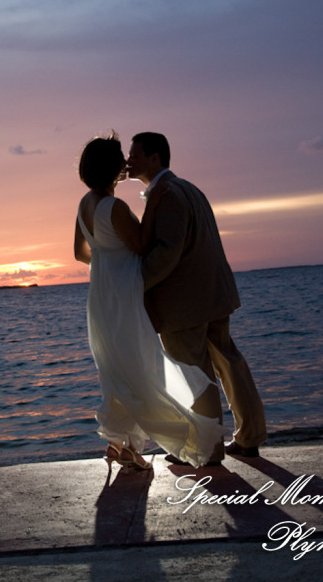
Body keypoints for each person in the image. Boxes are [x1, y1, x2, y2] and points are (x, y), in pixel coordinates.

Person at [74, 133, 224, 469]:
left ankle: (120, 443)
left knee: (116, 368)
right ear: (112, 169)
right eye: (120, 160)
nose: (126, 163)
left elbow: (80, 253)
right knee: (138, 367)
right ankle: (153, 441)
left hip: (101, 296)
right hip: (125, 294)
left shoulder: (85, 204)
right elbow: (142, 244)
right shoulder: (114, 206)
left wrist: (108, 261)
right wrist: (152, 209)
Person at [126, 132, 267, 463]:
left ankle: (208, 448)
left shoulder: (170, 194)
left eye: (134, 155)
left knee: (194, 374)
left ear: (156, 158)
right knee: (229, 364)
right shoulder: (187, 188)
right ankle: (249, 437)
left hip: (184, 304)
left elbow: (166, 252)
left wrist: (131, 285)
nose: (128, 161)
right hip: (214, 294)